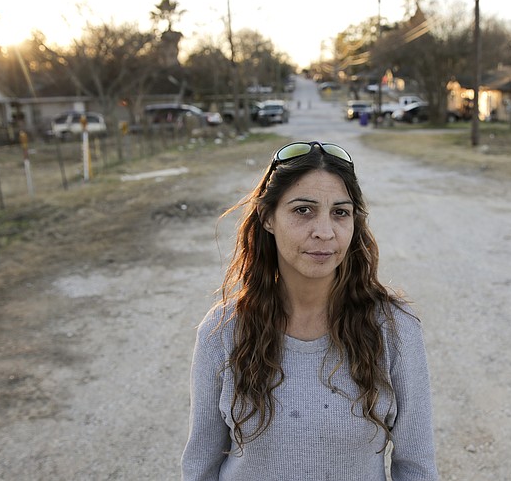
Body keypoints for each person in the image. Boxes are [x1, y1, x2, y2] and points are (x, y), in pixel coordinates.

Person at [181, 140, 439, 480]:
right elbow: (200, 466)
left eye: (340, 212)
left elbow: (417, 468)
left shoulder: (394, 327)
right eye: (303, 210)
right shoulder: (223, 329)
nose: (324, 232)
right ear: (268, 217)